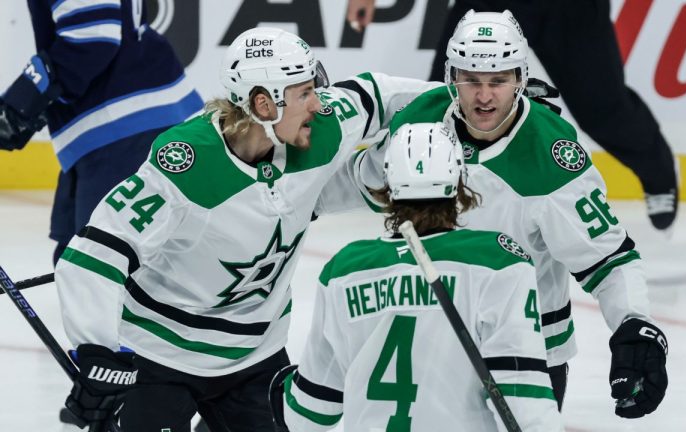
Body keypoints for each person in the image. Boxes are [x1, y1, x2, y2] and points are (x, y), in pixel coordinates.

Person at [53, 26, 436, 431]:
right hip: (159, 355)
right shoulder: (187, 165)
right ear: (264, 105)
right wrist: (96, 350)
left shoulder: (322, 127)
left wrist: (460, 98)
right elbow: (95, 254)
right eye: (304, 93)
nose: (317, 104)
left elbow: (378, 94)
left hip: (256, 357)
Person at [344, 10, 670, 418]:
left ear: (519, 78)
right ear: (452, 77)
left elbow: (609, 260)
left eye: (498, 80)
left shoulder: (551, 158)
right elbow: (359, 183)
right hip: (429, 343)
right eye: (472, 80)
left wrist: (633, 326)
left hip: (525, 354)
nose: (484, 97)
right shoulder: (422, 122)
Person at [273, 122, 564, 432]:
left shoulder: (344, 269)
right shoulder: (497, 261)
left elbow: (309, 414)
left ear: (387, 186)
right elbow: (523, 392)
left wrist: (285, 387)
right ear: (460, 180)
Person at [346, 0, 679, 231]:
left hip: (571, 8)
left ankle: (659, 175)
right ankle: (432, 208)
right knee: (449, 98)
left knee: (602, 107)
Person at [0, 0, 204, 264]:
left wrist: (21, 104)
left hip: (126, 131)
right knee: (78, 262)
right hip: (125, 127)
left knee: (102, 268)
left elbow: (93, 34)